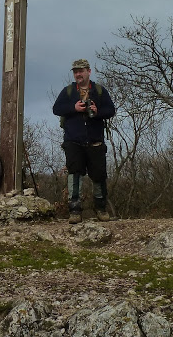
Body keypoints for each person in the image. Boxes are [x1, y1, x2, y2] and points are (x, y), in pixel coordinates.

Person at [52, 58, 116, 223]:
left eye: (81, 71)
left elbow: (111, 110)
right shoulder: (68, 91)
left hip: (95, 141)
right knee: (74, 175)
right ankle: (74, 210)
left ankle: (101, 209)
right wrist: (73, 108)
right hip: (73, 141)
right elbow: (56, 109)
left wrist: (97, 111)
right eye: (75, 71)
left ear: (89, 71)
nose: (78, 74)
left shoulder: (100, 91)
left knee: (99, 176)